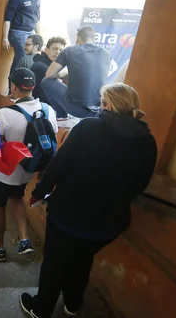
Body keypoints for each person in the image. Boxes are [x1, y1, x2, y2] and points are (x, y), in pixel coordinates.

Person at [20, 83, 156, 318]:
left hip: (68, 215)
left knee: (54, 263)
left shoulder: (89, 127)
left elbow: (59, 165)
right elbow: (140, 185)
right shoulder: (147, 140)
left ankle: (41, 309)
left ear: (106, 104)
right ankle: (72, 304)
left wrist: (39, 192)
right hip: (109, 223)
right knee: (82, 260)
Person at [0, 68, 58, 262]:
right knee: (16, 198)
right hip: (28, 170)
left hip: (4, 171)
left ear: (14, 87)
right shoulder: (48, 110)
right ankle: (24, 239)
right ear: (33, 86)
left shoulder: (5, 113)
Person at [41, 25, 111, 119]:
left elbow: (49, 74)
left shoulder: (70, 50)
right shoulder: (106, 53)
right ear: (94, 39)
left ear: (77, 38)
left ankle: (61, 116)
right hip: (100, 109)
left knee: (46, 81)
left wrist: (63, 73)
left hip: (78, 110)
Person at [3, 0, 41, 79]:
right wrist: (5, 38)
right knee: (25, 62)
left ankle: (12, 88)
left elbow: (37, 18)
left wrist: (38, 35)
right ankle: (19, 91)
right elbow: (7, 18)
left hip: (31, 33)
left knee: (18, 63)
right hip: (18, 33)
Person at [30, 37, 67, 104]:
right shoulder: (40, 67)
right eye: (55, 49)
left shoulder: (56, 66)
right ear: (46, 50)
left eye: (61, 50)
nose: (58, 52)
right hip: (41, 107)